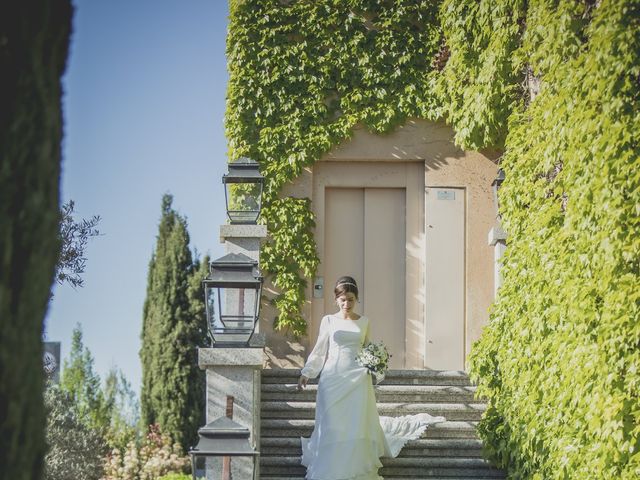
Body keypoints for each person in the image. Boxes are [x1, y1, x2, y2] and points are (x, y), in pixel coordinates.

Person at [297, 276, 445, 480]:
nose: (346, 303)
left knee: (355, 423)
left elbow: (368, 348)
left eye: (350, 299)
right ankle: (330, 468)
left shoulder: (364, 322)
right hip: (332, 379)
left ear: (356, 299)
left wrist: (377, 365)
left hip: (358, 378)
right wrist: (307, 372)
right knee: (332, 423)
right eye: (342, 299)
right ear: (336, 299)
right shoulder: (329, 321)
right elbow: (320, 349)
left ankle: (354, 467)